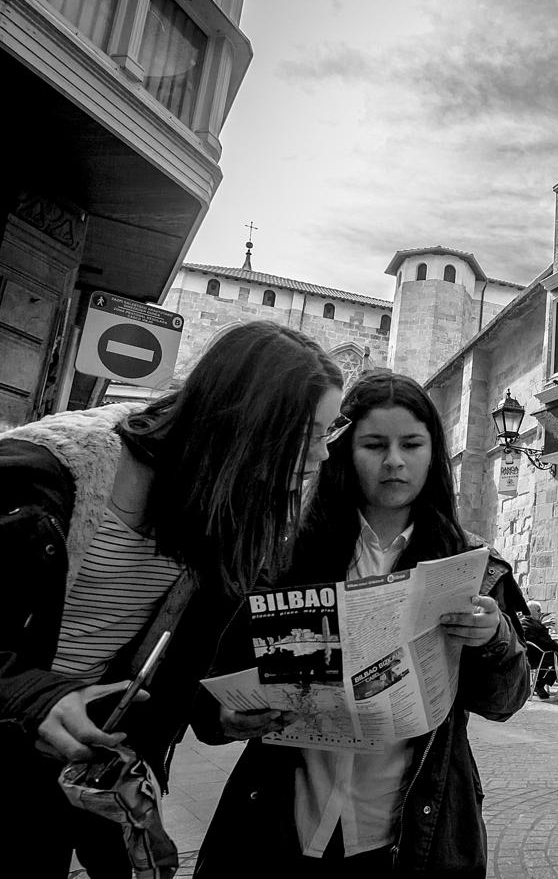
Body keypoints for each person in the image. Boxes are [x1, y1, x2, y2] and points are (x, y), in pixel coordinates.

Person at [0, 321, 344, 878]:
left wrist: (217, 712)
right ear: (247, 422)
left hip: (83, 755)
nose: (323, 456)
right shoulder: (49, 473)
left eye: (331, 432)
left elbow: (184, 651)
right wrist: (33, 695)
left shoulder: (228, 502)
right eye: (310, 435)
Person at [194, 370, 530, 879]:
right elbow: (213, 690)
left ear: (432, 453)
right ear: (344, 450)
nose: (394, 461)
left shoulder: (471, 565)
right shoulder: (286, 555)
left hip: (410, 834)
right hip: (282, 827)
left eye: (411, 444)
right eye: (374, 444)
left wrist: (494, 638)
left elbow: (505, 701)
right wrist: (224, 718)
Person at [521, 599, 558, 699]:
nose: (540, 613)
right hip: (538, 658)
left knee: (550, 658)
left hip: (524, 658)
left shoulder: (520, 624)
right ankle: (539, 684)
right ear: (530, 612)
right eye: (538, 611)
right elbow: (550, 644)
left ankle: (538, 684)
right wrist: (557, 647)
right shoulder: (537, 626)